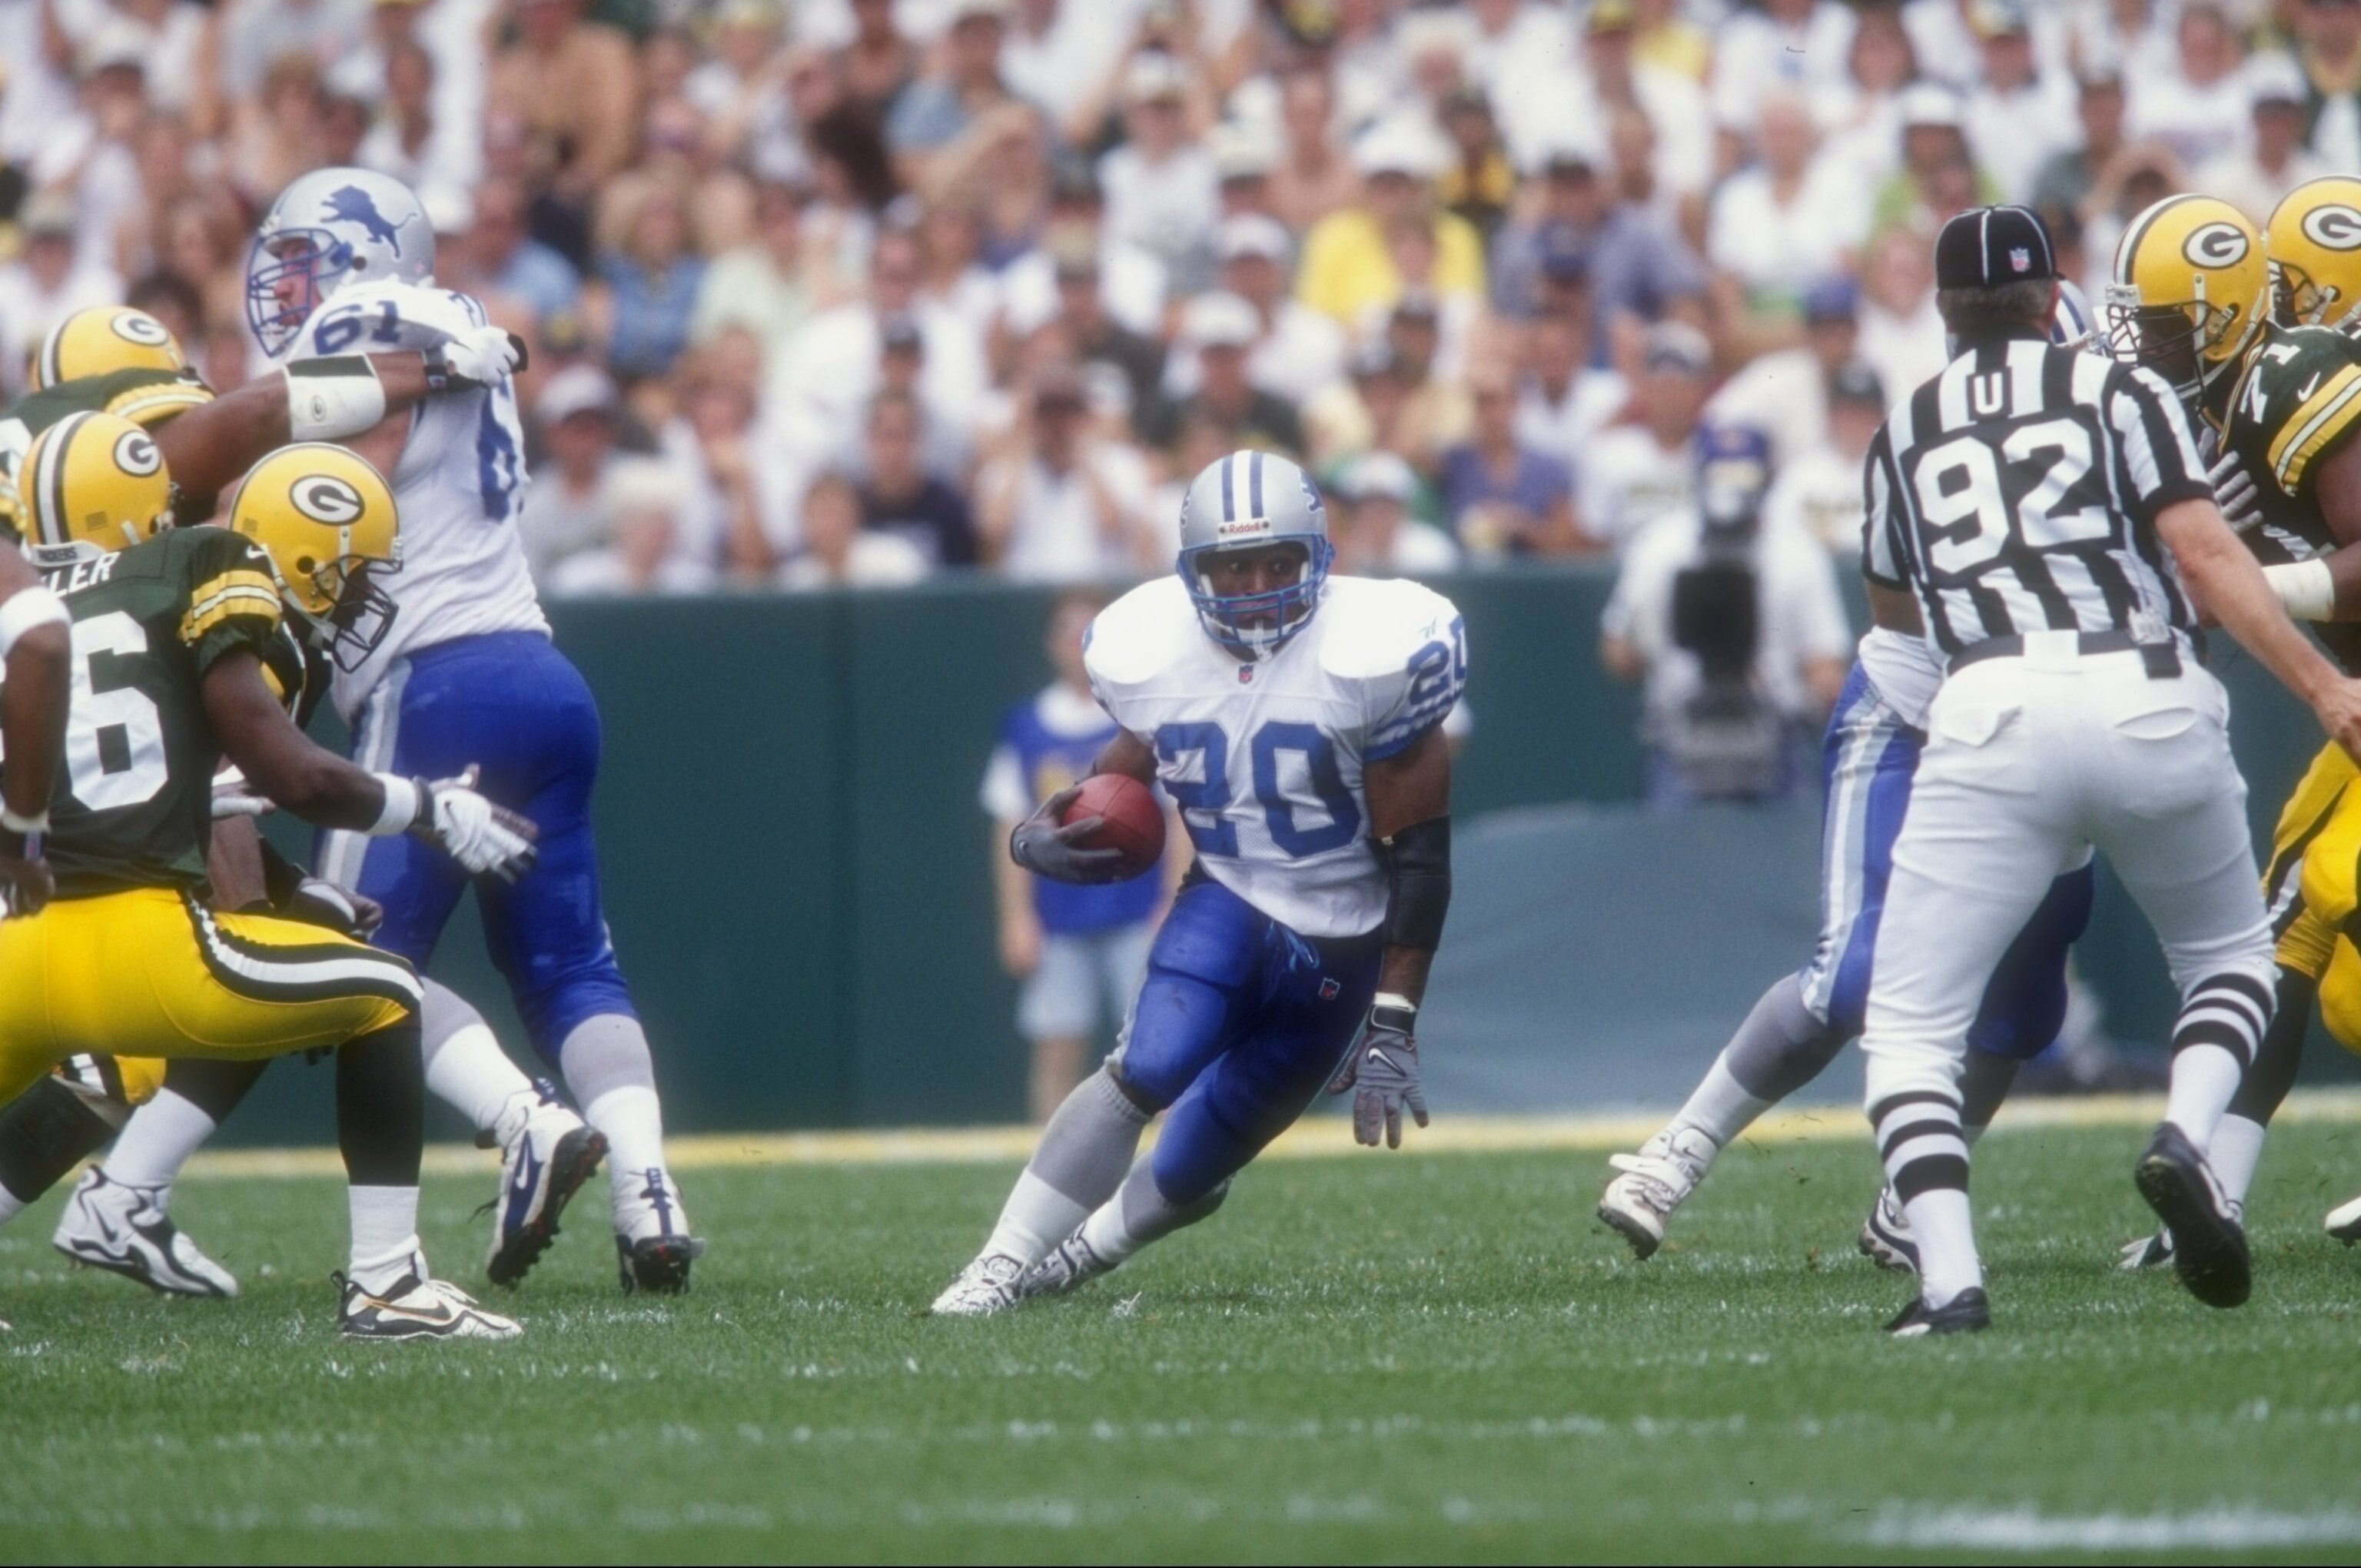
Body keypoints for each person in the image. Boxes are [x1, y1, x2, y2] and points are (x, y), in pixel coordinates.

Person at [104, 168, 701, 1294]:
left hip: (433, 683)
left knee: (348, 957)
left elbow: (342, 482)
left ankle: (517, 1127)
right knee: (572, 964)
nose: (287, 286)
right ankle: (649, 1188)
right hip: (540, 668)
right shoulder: (464, 322)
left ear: (361, 255)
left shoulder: (360, 326)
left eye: (303, 258)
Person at [1853, 204, 2361, 1334]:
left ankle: (1948, 1285)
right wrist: (2324, 689)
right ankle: (2186, 1137)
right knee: (2233, 962)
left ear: (1943, 312)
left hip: (1989, 707)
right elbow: (2202, 551)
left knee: (1910, 1028)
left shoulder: (1903, 427)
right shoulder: (2121, 395)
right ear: (2053, 300)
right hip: (2151, 695)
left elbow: (1896, 627)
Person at [2, 425, 536, 1337]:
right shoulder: (193, 565)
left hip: (20, 948)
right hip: (139, 943)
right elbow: (294, 776)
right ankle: (387, 1285)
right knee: (386, 996)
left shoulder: (24, 607)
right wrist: (431, 808)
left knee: (101, 1065)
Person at [1597, 301, 2100, 1266]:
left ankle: (1910, 1199)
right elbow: (1893, 604)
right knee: (1857, 971)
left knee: (2026, 1004)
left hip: (2052, 730)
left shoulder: (2125, 451)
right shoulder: (1932, 443)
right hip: (1918, 713)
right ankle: (1673, 1155)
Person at [930, 450, 1466, 1315]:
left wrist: (1395, 1020)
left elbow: (1422, 860)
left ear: (1317, 559)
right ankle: (998, 1264)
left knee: (1193, 1166)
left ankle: (1079, 1257)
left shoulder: (1378, 655)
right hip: (1231, 898)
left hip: (1347, 940)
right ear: (1193, 573)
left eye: (1276, 563)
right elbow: (1127, 765)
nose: (1254, 587)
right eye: (1232, 567)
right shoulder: (1156, 651)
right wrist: (1057, 827)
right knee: (1145, 1066)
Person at [2112, 184, 2361, 1263]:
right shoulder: (2213, 406)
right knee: (2288, 922)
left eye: (2163, 322)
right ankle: (2213, 1194)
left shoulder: (2290, 374)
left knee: (2331, 891)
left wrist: (2264, 586)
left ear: (2219, 312)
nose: (2147, 343)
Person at [982, 590, 1170, 1123]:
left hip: (1135, 908)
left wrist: (1173, 900)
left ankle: (1170, 1166)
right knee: (1057, 1044)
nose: (1077, 644)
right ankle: (1052, 1160)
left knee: (1158, 1046)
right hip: (1059, 916)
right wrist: (1017, 917)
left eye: (1088, 631)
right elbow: (1008, 825)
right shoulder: (1026, 727)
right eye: (1067, 631)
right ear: (1050, 643)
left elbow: (1176, 817)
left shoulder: (1137, 720)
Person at [1599, 426, 1849, 805]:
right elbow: (1618, 652)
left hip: (1774, 732)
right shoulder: (1661, 546)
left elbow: (1825, 665)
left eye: (1742, 475)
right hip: (1681, 731)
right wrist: (1648, 636)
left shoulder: (1798, 552)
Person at [1581, 321, 1712, 551]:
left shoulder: (1720, 454)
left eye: (1682, 385)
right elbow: (1593, 541)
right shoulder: (1611, 452)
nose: (1671, 395)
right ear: (1645, 389)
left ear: (1700, 391)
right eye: (1662, 384)